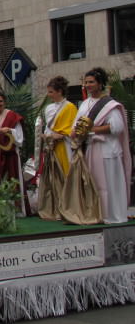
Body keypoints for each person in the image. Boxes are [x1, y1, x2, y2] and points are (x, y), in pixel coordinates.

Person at [70, 67, 131, 224]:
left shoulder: (110, 105)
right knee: (94, 184)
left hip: (107, 149)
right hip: (90, 148)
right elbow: (76, 124)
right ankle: (97, 214)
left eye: (91, 82)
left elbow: (117, 127)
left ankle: (113, 215)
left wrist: (91, 129)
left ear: (100, 83)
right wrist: (76, 132)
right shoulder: (84, 104)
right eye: (86, 82)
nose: (88, 85)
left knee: (110, 184)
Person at [37, 76, 77, 221]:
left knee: (66, 176)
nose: (49, 95)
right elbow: (49, 128)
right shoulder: (48, 108)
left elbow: (72, 129)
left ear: (60, 91)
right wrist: (45, 136)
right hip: (51, 147)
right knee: (52, 178)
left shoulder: (70, 107)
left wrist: (59, 135)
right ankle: (54, 208)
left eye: (51, 92)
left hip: (64, 146)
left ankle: (68, 208)